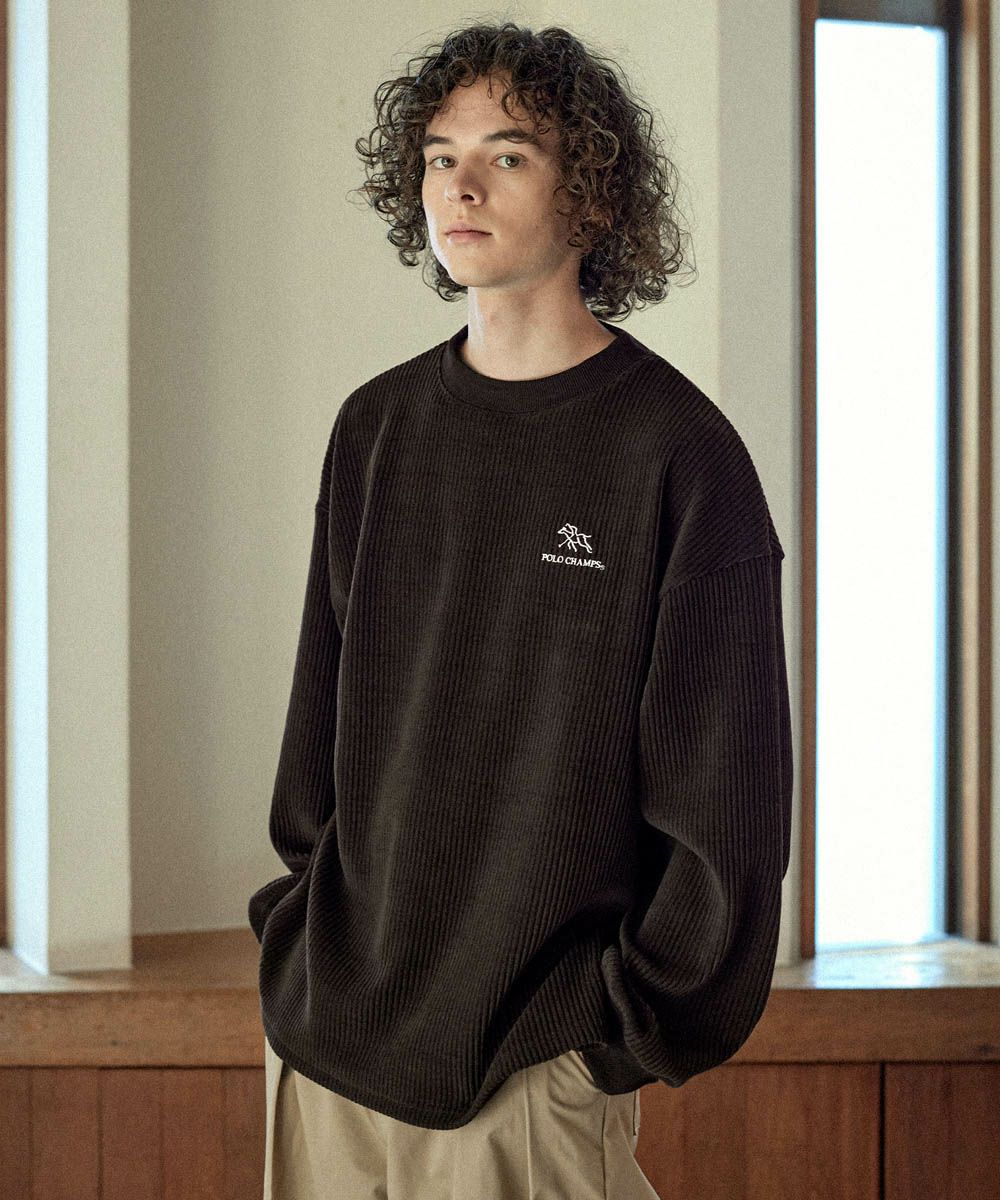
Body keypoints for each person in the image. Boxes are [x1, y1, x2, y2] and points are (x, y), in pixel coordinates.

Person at [249, 20, 793, 1200]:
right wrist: (299, 935)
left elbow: (727, 810)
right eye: (439, 157)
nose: (461, 187)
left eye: (507, 155)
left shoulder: (678, 455)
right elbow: (317, 735)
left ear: (588, 192)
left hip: (527, 1076)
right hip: (327, 1050)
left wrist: (606, 1042)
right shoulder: (377, 427)